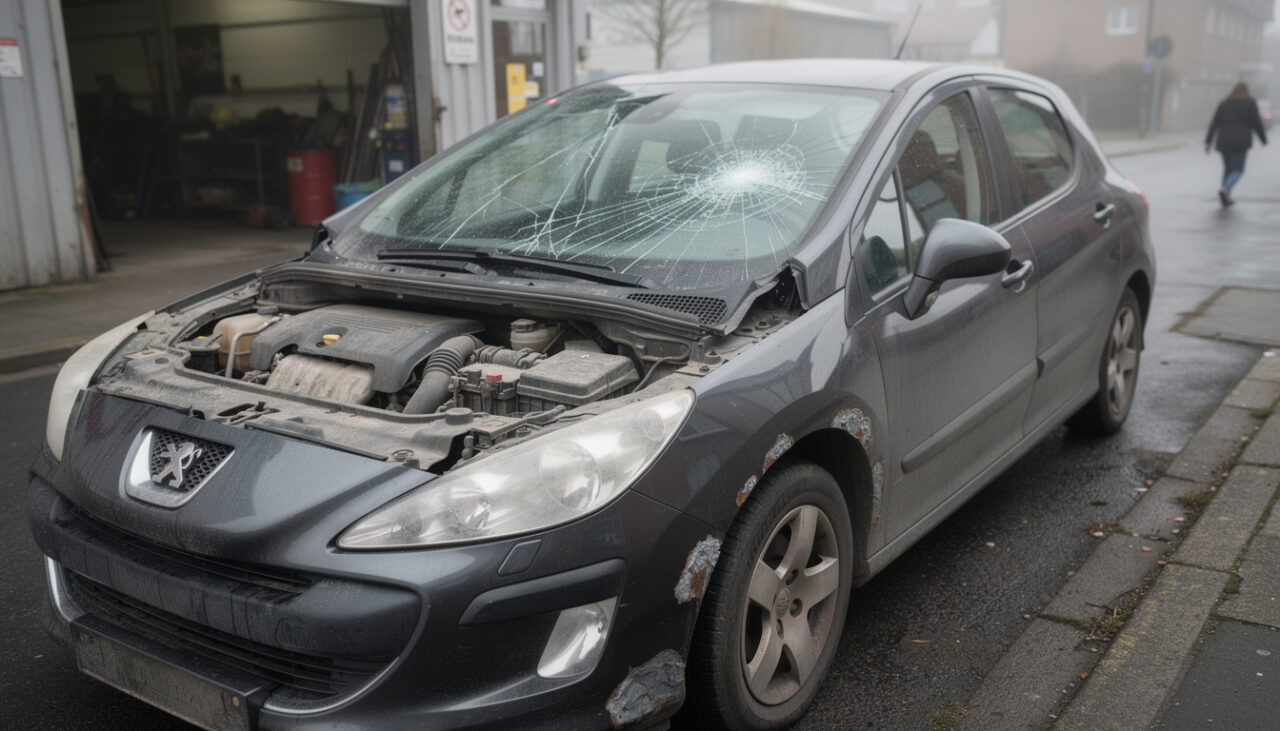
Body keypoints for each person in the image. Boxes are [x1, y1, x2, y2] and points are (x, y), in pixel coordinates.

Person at [1205, 81, 1268, 207]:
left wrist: (1208, 141)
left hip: (1224, 141)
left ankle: (1226, 195)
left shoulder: (1225, 103)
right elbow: (1256, 122)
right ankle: (1225, 190)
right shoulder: (1250, 103)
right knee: (1238, 170)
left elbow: (1214, 123)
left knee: (1228, 169)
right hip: (1240, 141)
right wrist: (1263, 139)